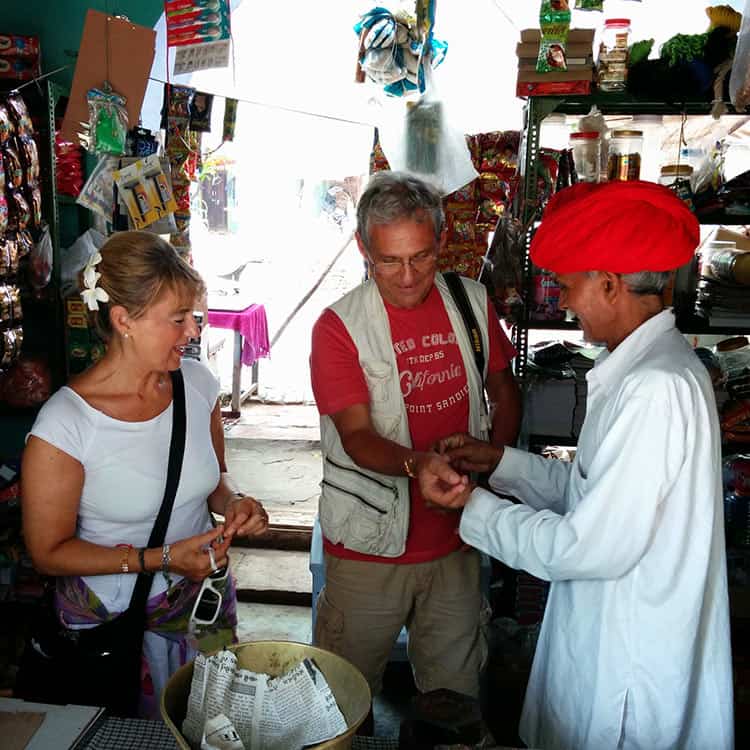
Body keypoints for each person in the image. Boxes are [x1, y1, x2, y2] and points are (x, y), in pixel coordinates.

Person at [418, 180, 734, 749]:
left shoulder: (653, 389)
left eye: (567, 287)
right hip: (617, 636)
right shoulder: (646, 369)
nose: (562, 302)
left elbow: (587, 545)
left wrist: (473, 504)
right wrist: (501, 462)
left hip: (627, 664)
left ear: (610, 285)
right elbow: (592, 493)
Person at [21, 231, 269, 717]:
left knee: (205, 724)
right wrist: (162, 558)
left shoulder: (197, 385)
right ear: (123, 320)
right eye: (177, 320)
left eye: (192, 318)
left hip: (200, 598)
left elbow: (215, 476)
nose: (193, 333)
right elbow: (48, 554)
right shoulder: (67, 425)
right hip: (111, 617)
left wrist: (235, 501)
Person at [309, 171, 521, 725]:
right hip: (369, 549)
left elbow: (503, 388)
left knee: (455, 705)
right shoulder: (339, 328)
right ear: (363, 248)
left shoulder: (471, 303)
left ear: (441, 243)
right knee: (338, 707)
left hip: (457, 543)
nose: (407, 277)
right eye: (389, 261)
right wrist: (417, 463)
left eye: (422, 258)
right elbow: (356, 435)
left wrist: (492, 460)